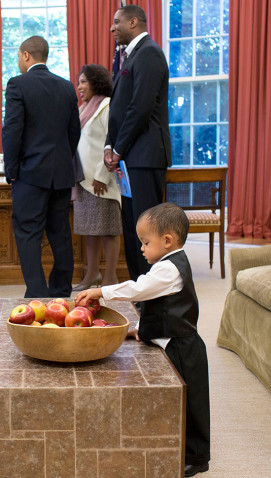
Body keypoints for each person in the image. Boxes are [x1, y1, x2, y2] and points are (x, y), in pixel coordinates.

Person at [76, 203, 210, 478]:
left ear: (168, 241)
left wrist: (102, 291)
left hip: (184, 347)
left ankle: (197, 458)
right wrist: (138, 329)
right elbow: (161, 309)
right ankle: (174, 445)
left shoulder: (169, 269)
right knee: (176, 400)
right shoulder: (166, 264)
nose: (142, 248)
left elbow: (140, 289)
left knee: (192, 403)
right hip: (172, 339)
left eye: (146, 242)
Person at [2, 35, 81, 298]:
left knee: (28, 235)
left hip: (29, 175)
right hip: (60, 175)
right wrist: (61, 161)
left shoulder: (17, 85)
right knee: (60, 234)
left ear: (26, 55)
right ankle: (60, 290)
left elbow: (12, 132)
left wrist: (12, 171)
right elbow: (73, 132)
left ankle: (37, 294)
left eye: (18, 56)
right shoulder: (67, 87)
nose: (18, 62)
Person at [105, 5, 171, 280]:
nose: (112, 28)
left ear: (133, 22)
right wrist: (110, 145)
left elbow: (140, 108)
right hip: (130, 159)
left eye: (116, 22)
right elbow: (118, 108)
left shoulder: (149, 54)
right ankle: (139, 293)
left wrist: (118, 149)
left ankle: (152, 294)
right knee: (134, 228)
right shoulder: (129, 58)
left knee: (148, 232)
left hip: (144, 158)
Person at [72, 64, 122, 291]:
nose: (79, 86)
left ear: (96, 82)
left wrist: (103, 175)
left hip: (102, 180)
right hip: (83, 179)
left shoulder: (107, 106)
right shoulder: (83, 108)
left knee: (109, 230)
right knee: (89, 230)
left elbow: (112, 142)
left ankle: (110, 278)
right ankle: (92, 274)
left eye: (83, 81)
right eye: (79, 82)